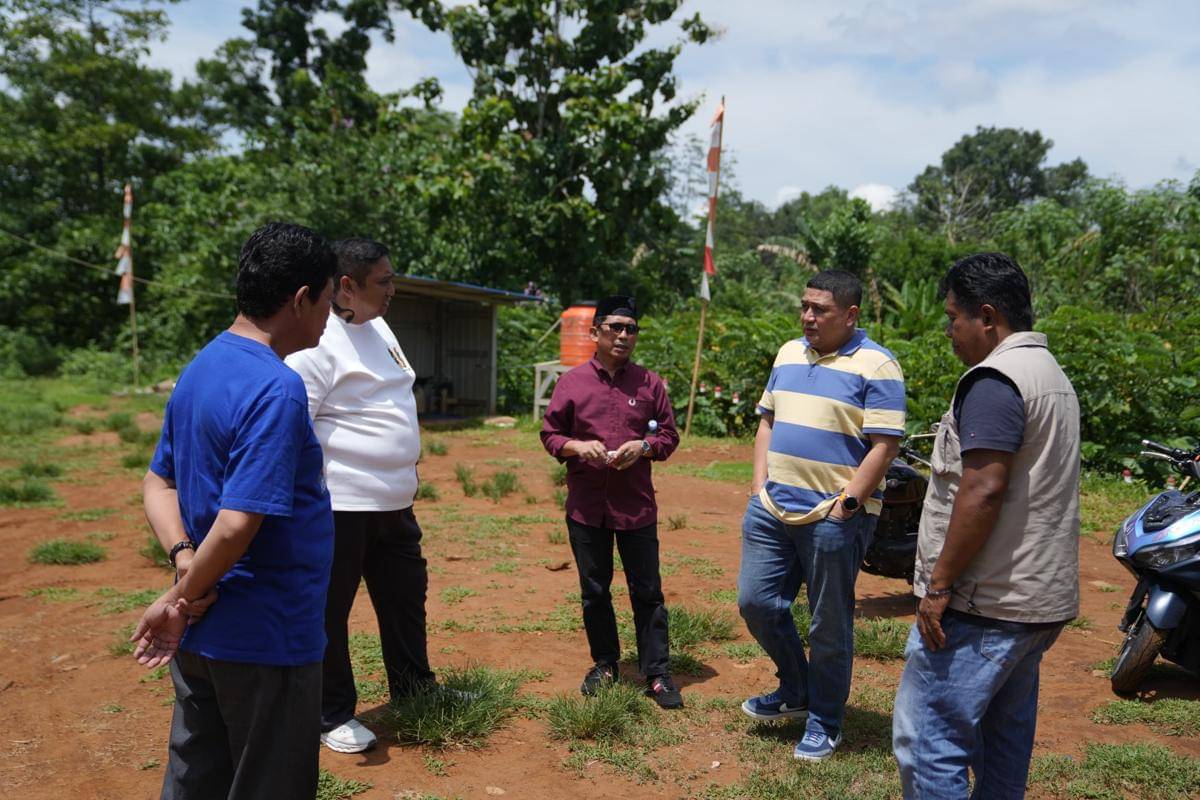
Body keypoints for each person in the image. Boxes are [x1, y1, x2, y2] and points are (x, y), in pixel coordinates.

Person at [131, 222, 337, 800]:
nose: (331, 316)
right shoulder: (276, 387)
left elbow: (157, 482)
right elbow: (238, 522)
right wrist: (182, 597)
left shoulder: (202, 366)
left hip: (205, 637)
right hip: (267, 636)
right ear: (301, 298)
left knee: (196, 780)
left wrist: (184, 563)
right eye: (328, 300)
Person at [892, 253, 1080, 799]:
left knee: (930, 744)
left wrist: (939, 586)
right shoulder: (1050, 374)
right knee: (1002, 748)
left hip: (984, 605)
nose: (948, 331)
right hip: (1033, 602)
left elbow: (983, 489)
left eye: (954, 318)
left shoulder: (996, 380)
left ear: (988, 316)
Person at [737, 269, 905, 761]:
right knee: (756, 602)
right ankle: (797, 687)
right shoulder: (789, 353)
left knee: (828, 623)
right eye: (805, 306)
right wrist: (758, 487)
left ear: (850, 314)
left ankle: (825, 720)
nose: (807, 316)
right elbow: (767, 421)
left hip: (834, 517)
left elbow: (885, 445)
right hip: (771, 508)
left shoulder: (878, 365)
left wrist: (848, 503)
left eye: (820, 309)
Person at [285, 238, 435, 754]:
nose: (393, 289)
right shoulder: (316, 341)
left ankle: (414, 688)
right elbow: (296, 424)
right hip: (341, 507)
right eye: (384, 281)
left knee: (404, 598)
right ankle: (331, 714)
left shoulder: (379, 325)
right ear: (346, 285)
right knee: (331, 611)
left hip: (395, 503)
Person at [540, 295, 682, 708]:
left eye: (630, 329)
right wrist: (577, 446)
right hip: (587, 507)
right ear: (595, 332)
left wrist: (644, 446)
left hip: (636, 506)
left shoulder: (649, 384)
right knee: (594, 590)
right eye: (615, 327)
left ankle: (656, 673)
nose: (623, 335)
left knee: (648, 591)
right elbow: (550, 434)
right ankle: (604, 664)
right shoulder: (572, 383)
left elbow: (668, 435)